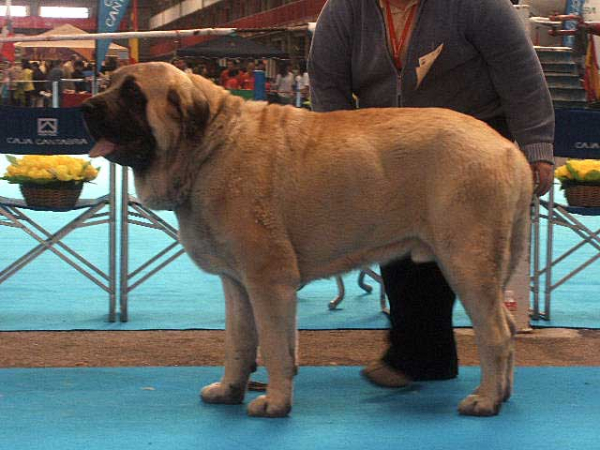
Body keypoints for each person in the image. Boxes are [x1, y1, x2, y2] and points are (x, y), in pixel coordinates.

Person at [309, 0, 554, 387]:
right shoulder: (342, 11)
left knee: (461, 256)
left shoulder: (480, 5)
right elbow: (327, 86)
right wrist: (337, 154)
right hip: (391, 148)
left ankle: (422, 356)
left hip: (474, 143)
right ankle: (423, 356)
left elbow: (521, 76)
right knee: (401, 254)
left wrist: (538, 148)